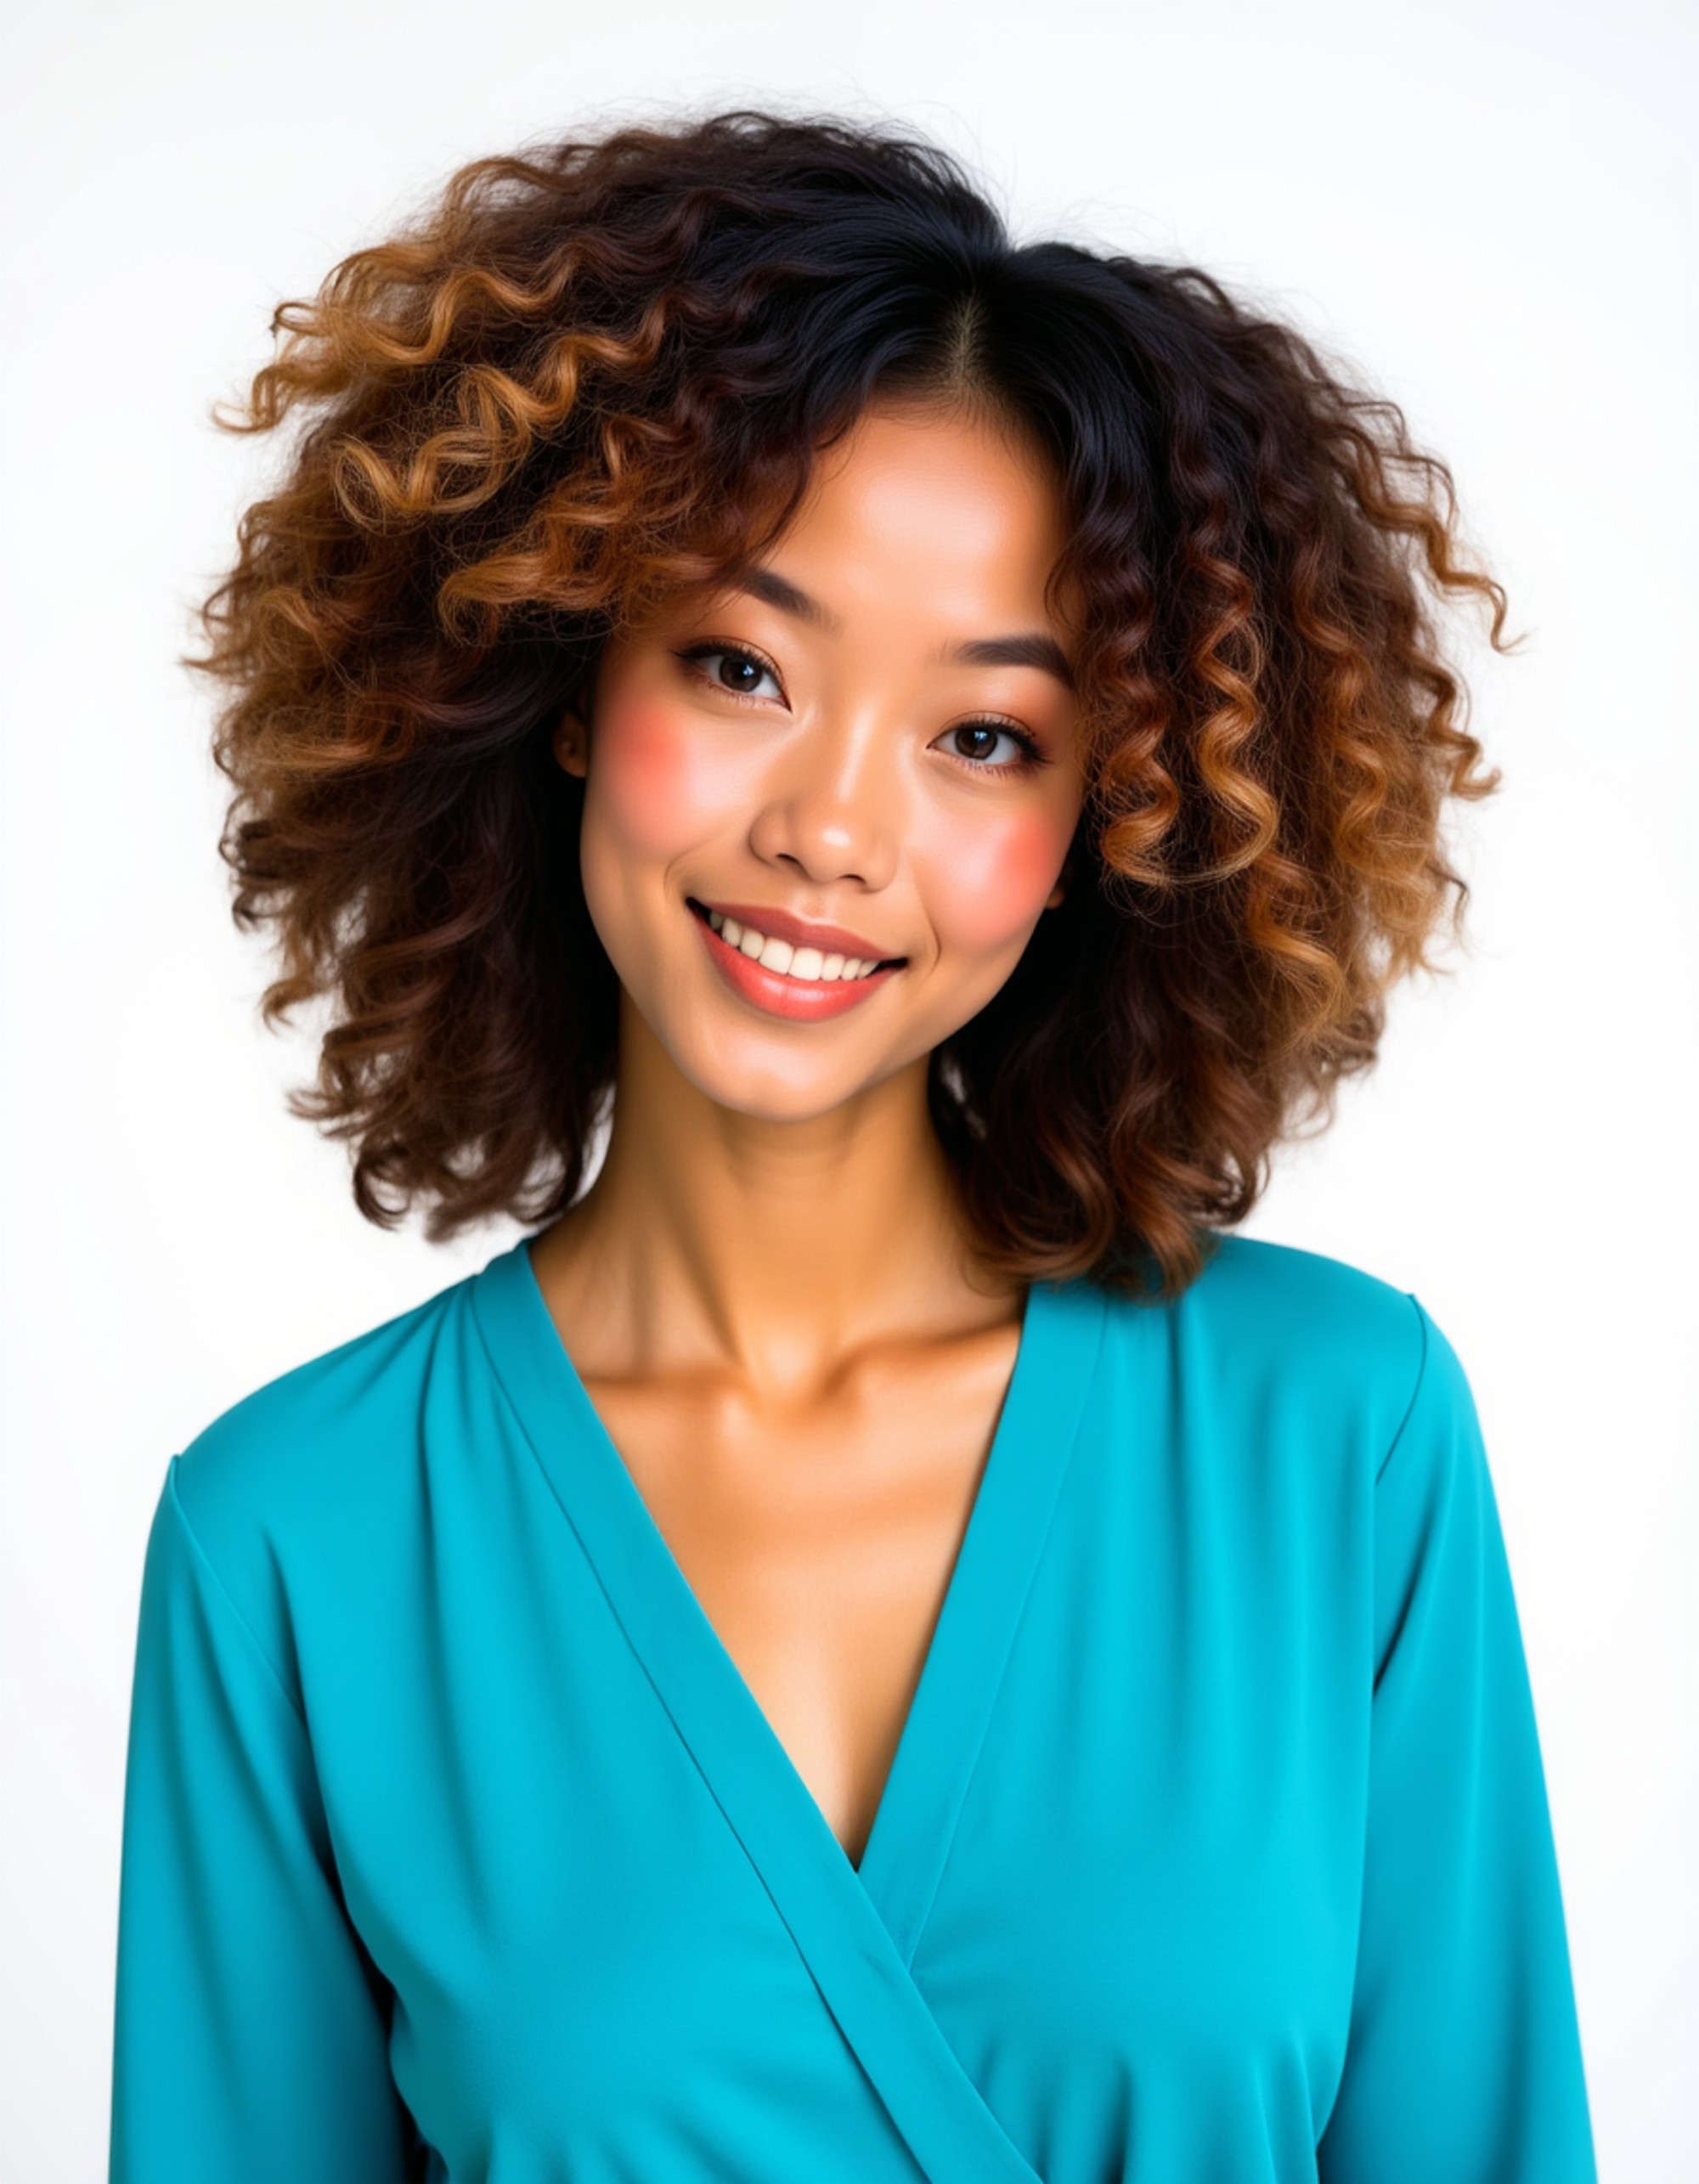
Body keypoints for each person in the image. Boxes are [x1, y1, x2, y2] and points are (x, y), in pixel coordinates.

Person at [108, 106, 1598, 2184]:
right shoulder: (296, 1539)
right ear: (559, 674)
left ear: (1111, 818)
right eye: (737, 664)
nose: (831, 827)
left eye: (984, 734)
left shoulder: (1334, 1439)